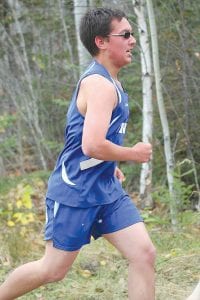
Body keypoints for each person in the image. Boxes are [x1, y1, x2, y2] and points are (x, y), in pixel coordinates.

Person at [0, 7, 156, 300]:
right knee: (53, 270)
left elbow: (91, 143)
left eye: (132, 34)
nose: (132, 40)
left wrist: (109, 163)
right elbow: (91, 145)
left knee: (144, 253)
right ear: (102, 42)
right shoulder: (99, 85)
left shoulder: (112, 82)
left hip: (106, 188)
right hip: (76, 191)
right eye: (125, 34)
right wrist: (132, 154)